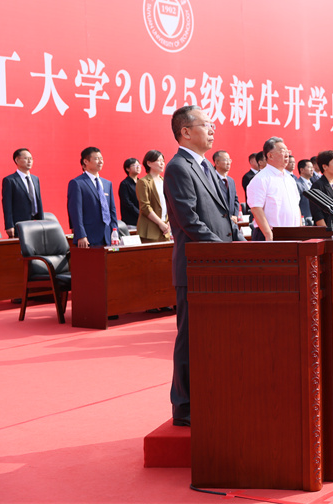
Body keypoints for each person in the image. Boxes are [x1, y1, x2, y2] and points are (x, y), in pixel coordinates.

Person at [163, 105, 242, 427]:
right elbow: (189, 221)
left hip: (216, 265)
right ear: (185, 132)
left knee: (214, 337)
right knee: (190, 339)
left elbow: (224, 215)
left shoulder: (206, 165)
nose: (212, 130)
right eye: (206, 125)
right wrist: (224, 251)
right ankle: (184, 407)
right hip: (196, 268)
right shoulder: (178, 168)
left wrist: (239, 244)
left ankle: (210, 394)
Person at [247, 137, 302, 240]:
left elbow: (296, 206)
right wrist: (268, 234)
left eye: (287, 151)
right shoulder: (261, 179)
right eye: (282, 151)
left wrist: (299, 230)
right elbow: (256, 208)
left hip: (292, 234)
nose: (287, 154)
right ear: (270, 155)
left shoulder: (290, 179)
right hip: (270, 235)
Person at [66, 146, 118, 248]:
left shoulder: (107, 183)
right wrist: (81, 235)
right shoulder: (77, 183)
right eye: (96, 159)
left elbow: (112, 210)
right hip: (89, 236)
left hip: (107, 236)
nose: (101, 161)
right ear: (86, 161)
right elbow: (75, 212)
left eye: (101, 159)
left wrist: (115, 232)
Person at [1, 147, 44, 237]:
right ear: (17, 160)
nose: (29, 161)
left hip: (36, 223)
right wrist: (9, 225)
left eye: (31, 158)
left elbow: (38, 201)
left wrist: (42, 222)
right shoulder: (10, 180)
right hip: (20, 224)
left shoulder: (35, 179)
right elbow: (7, 205)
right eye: (26, 158)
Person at [136, 150, 171, 243]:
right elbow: (145, 207)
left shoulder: (164, 181)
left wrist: (169, 223)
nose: (162, 163)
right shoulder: (143, 182)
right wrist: (160, 223)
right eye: (159, 160)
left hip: (165, 230)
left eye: (163, 161)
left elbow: (170, 204)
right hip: (150, 230)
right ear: (149, 163)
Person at [213, 150, 240, 223]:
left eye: (229, 160)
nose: (228, 163)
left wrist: (235, 215)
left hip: (232, 222)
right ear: (217, 162)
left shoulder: (231, 181)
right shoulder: (211, 180)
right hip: (218, 221)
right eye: (225, 160)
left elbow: (235, 200)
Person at [119, 158, 141, 227]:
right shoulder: (125, 184)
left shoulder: (141, 183)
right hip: (131, 221)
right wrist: (139, 213)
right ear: (127, 169)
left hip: (143, 220)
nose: (138, 167)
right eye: (135, 165)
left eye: (139, 165)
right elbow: (127, 203)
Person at [296, 159, 315, 223]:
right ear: (302, 170)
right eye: (309, 167)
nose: (312, 169)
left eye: (312, 167)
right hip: (304, 220)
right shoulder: (297, 184)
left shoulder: (313, 184)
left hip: (314, 219)